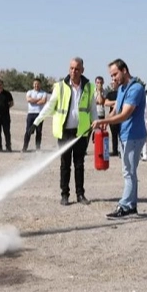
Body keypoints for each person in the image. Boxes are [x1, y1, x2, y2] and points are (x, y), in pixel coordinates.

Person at [31, 57, 97, 206]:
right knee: (65, 164)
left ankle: (80, 194)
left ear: (82, 70)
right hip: (64, 132)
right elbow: (50, 106)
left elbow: (92, 108)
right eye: (71, 68)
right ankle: (65, 194)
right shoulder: (60, 86)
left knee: (79, 164)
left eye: (77, 69)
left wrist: (96, 124)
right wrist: (36, 122)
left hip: (81, 132)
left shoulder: (88, 87)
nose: (74, 71)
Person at [92, 58, 147, 218]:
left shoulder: (135, 89)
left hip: (134, 136)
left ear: (124, 71)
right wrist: (106, 122)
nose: (113, 78)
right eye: (111, 75)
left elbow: (125, 114)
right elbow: (116, 109)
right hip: (126, 135)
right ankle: (132, 206)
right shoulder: (122, 88)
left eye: (115, 74)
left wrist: (102, 121)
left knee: (128, 172)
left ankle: (124, 206)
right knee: (130, 172)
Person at [23, 78, 47, 152]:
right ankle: (25, 147)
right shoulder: (29, 92)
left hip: (39, 114)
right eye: (35, 84)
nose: (36, 85)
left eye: (38, 84)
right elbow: (28, 100)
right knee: (28, 131)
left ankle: (38, 148)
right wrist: (37, 100)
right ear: (33, 85)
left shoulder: (44, 93)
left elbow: (43, 102)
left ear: (40, 85)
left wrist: (34, 100)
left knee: (38, 132)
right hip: (30, 114)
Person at [104, 79, 120, 155]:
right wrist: (116, 102)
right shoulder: (110, 94)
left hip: (121, 116)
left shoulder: (121, 92)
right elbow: (106, 103)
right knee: (114, 135)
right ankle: (115, 151)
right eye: (111, 83)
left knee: (122, 134)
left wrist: (114, 104)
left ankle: (123, 150)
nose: (112, 84)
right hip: (112, 116)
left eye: (114, 83)